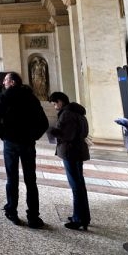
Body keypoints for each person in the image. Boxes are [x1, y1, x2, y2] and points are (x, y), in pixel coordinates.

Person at [0, 72, 49, 228]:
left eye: (6, 80)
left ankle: (12, 211)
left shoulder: (5, 97)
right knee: (31, 180)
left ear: (13, 82)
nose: (4, 83)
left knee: (12, 178)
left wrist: (4, 135)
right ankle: (33, 217)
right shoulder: (31, 98)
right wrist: (32, 136)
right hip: (28, 143)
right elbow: (44, 123)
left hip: (11, 142)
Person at [48, 92, 91, 231]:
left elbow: (66, 134)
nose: (55, 107)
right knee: (80, 184)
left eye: (55, 104)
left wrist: (52, 131)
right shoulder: (78, 112)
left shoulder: (67, 114)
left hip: (70, 151)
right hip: (79, 149)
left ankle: (78, 218)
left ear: (60, 101)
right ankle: (83, 216)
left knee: (76, 186)